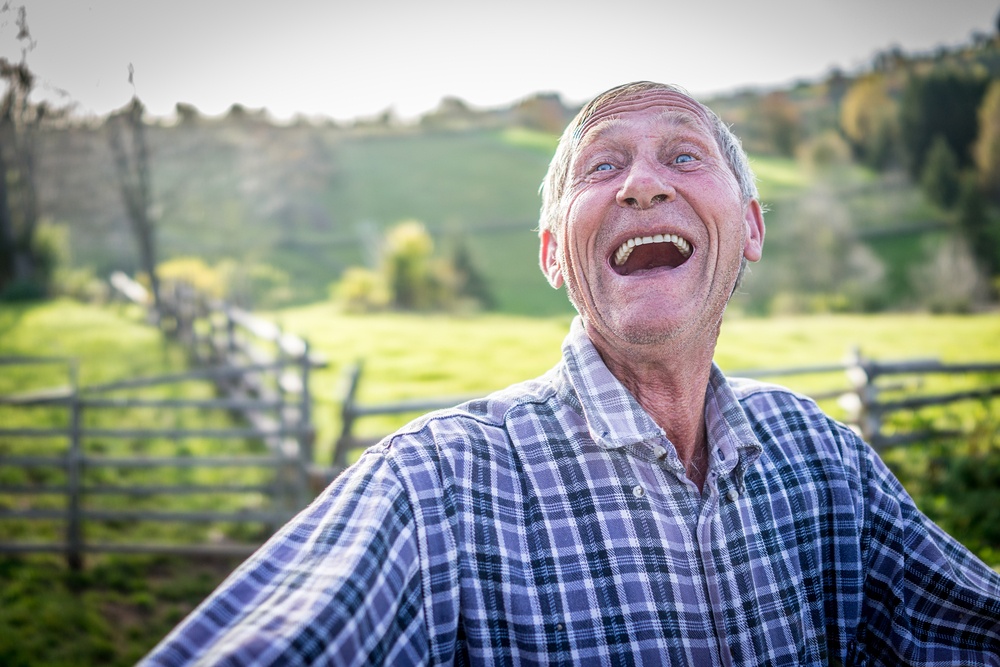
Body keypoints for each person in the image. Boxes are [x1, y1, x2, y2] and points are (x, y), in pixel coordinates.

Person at [142, 81, 1000, 666]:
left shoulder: (827, 464)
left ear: (750, 226)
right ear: (554, 252)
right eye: (601, 165)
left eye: (686, 156)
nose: (641, 186)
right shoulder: (437, 486)